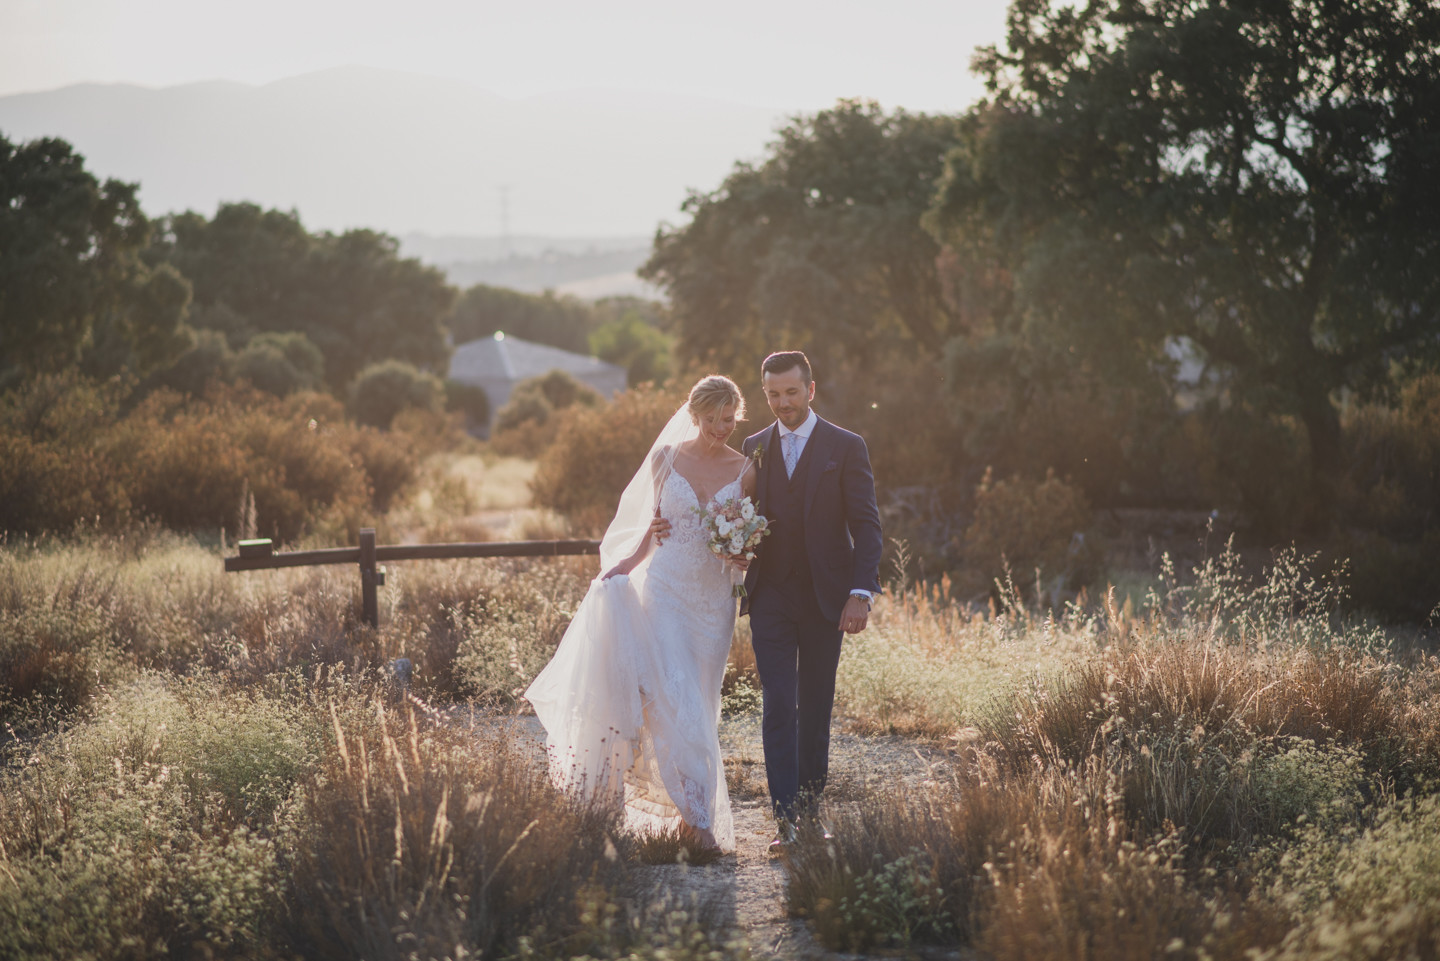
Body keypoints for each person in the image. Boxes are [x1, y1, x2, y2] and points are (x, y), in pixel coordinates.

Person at [524, 375, 756, 854]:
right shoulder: (664, 459)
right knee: (676, 699)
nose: (719, 429)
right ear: (693, 417)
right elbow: (656, 526)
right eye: (710, 419)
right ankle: (701, 821)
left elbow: (748, 531)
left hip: (714, 600)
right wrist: (626, 566)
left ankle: (688, 819)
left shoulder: (747, 467)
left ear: (738, 416)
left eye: (728, 419)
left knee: (702, 703)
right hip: (666, 590)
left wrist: (742, 556)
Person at [739, 351, 883, 851]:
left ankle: (810, 812)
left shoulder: (846, 446)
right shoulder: (754, 446)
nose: (783, 403)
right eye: (773, 394)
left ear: (811, 390)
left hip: (827, 600)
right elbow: (741, 514)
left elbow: (866, 526)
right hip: (771, 598)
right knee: (779, 703)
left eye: (791, 392)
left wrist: (860, 593)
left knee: (815, 705)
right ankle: (784, 823)